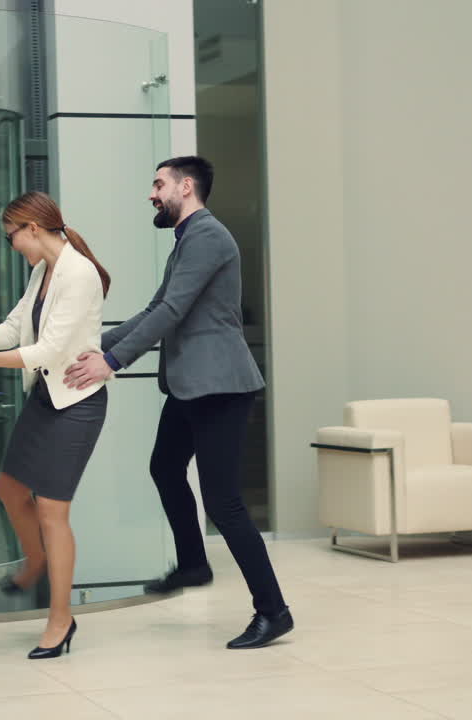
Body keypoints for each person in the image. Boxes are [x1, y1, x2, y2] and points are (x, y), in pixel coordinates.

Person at [64, 156, 294, 649]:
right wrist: (99, 346)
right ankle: (193, 562)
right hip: (193, 385)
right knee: (166, 468)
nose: (152, 193)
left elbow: (171, 311)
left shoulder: (208, 236)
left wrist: (112, 362)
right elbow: (154, 308)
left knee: (225, 503)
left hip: (221, 388)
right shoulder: (188, 240)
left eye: (158, 184)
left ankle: (273, 612)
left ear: (185, 187)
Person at [0, 191, 110, 659]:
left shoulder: (79, 273)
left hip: (76, 404)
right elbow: (16, 330)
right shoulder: (43, 271)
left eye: (12, 235)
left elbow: (49, 351)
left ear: (32, 228)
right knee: (10, 488)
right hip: (45, 397)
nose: (12, 244)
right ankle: (37, 561)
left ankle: (60, 619)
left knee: (53, 513)